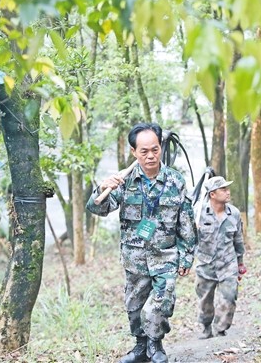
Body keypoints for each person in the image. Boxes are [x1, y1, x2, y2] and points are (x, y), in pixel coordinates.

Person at [86, 123, 197, 363]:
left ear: (160, 148)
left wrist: (187, 255)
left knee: (160, 302)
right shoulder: (123, 181)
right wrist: (103, 187)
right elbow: (98, 208)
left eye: (155, 150)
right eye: (144, 151)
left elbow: (186, 219)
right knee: (135, 304)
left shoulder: (175, 181)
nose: (150, 156)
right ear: (134, 151)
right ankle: (140, 347)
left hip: (165, 255)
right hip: (134, 257)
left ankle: (155, 346)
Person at [194, 176, 246, 339]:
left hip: (228, 264)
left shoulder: (234, 214)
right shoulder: (198, 213)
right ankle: (205, 326)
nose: (228, 192)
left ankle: (220, 328)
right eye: (223, 189)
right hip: (205, 265)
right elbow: (188, 238)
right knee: (205, 300)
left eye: (227, 188)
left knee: (230, 296)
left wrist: (240, 263)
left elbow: (238, 239)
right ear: (212, 194)